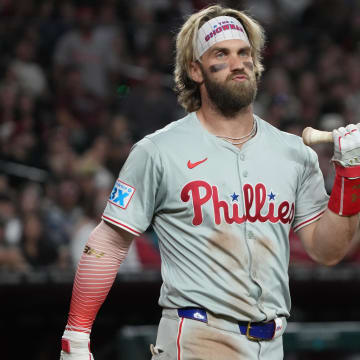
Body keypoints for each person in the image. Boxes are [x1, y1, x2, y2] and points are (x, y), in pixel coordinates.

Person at [60, 5, 360, 360]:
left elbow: (328, 251)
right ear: (194, 70)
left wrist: (349, 175)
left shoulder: (293, 152)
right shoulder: (159, 150)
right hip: (196, 339)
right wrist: (76, 334)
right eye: (222, 54)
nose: (238, 63)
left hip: (273, 342)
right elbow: (110, 240)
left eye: (244, 53)